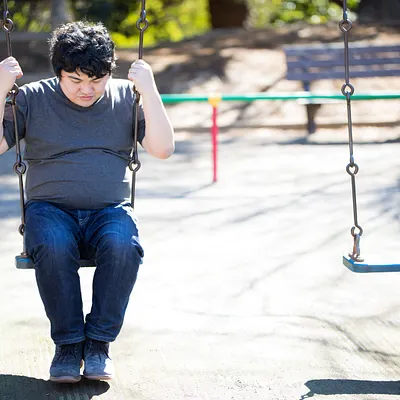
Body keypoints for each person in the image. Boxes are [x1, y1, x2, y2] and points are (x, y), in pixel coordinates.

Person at [0, 21, 174, 383]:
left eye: (96, 80)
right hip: (50, 209)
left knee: (123, 245)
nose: (86, 90)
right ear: (58, 73)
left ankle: (98, 344)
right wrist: (1, 87)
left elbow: (162, 149)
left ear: (109, 71)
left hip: (109, 209)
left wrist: (149, 89)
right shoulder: (31, 97)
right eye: (75, 80)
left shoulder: (127, 96)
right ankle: (68, 346)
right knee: (52, 244)